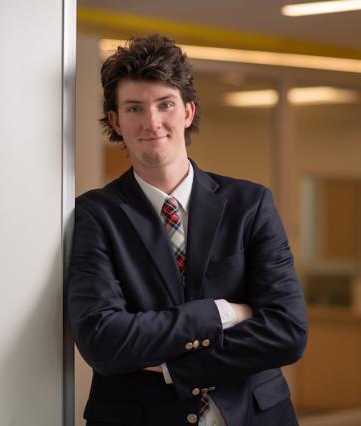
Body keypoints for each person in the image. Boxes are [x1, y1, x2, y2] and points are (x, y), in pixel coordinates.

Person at [68, 34, 308, 426]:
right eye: (134, 108)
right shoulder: (95, 215)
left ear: (188, 112)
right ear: (115, 120)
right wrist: (222, 312)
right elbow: (103, 339)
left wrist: (175, 369)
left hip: (253, 415)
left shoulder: (250, 204)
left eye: (165, 104)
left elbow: (288, 330)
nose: (152, 122)